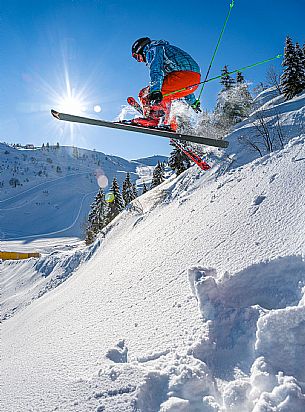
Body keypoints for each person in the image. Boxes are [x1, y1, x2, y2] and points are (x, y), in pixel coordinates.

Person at [131, 37, 201, 131]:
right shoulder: (164, 50)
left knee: (145, 94)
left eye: (137, 57)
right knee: (169, 95)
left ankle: (154, 119)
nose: (139, 60)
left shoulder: (153, 50)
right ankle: (171, 123)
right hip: (195, 80)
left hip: (183, 75)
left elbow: (156, 69)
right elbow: (183, 84)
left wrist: (155, 90)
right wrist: (193, 103)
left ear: (141, 49)